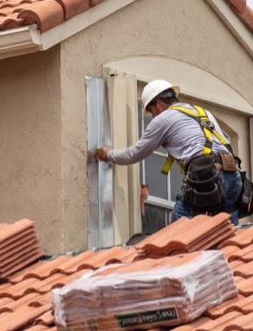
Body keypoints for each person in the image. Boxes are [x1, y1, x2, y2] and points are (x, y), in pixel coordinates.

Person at [95, 79, 244, 224]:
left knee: (179, 226)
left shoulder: (163, 119)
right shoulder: (203, 112)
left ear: (159, 103)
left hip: (208, 176)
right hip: (233, 176)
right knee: (226, 232)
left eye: (152, 111)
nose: (153, 117)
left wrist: (107, 154)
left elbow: (135, 153)